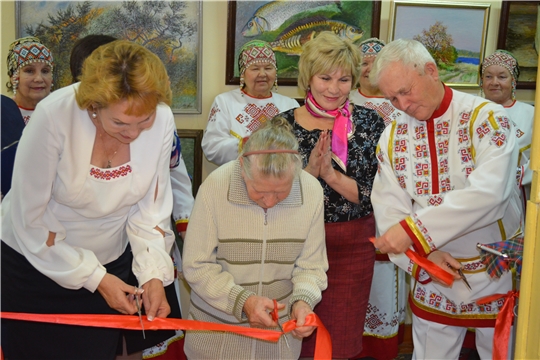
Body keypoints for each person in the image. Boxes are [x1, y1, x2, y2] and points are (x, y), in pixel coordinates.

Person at [1, 40, 182, 359]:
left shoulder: (163, 118)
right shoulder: (54, 116)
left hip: (110, 265)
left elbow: (150, 211)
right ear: (93, 106)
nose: (134, 134)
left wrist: (153, 273)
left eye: (144, 122)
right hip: (35, 264)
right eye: (120, 123)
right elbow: (30, 218)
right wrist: (94, 278)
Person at [369, 38, 523, 360]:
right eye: (392, 98)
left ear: (431, 71)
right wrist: (424, 255)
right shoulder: (393, 135)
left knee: (501, 352)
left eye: (406, 91)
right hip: (435, 272)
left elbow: (491, 193)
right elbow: (388, 205)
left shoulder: (488, 119)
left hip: (495, 269)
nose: (402, 104)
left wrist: (413, 232)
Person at [68, 34, 193, 359]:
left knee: (135, 333)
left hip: (139, 242)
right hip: (75, 253)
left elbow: (172, 175)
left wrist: (183, 219)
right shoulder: (62, 126)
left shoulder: (153, 120)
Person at [182, 116, 329, 359]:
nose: (270, 202)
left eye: (281, 192)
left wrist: (302, 303)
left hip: (278, 341)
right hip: (217, 336)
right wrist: (243, 301)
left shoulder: (310, 191)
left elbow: (311, 267)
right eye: (259, 191)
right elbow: (197, 266)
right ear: (242, 167)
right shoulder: (215, 186)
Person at [278, 31, 386, 359]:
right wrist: (309, 174)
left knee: (340, 340)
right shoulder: (282, 127)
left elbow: (372, 196)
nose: (334, 88)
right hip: (293, 247)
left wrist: (329, 175)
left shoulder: (369, 123)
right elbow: (269, 195)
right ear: (308, 78)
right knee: (291, 336)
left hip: (352, 247)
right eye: (325, 77)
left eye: (344, 79)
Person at [349, 37, 407, 360]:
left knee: (384, 281)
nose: (368, 69)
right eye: (363, 63)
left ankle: (382, 348)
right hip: (352, 207)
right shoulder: (344, 101)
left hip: (391, 205)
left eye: (375, 63)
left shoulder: (398, 104)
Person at [202, 40, 299, 166]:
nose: (262, 74)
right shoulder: (224, 102)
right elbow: (211, 147)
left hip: (281, 178)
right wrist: (246, 143)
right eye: (255, 68)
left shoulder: (290, 105)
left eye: (269, 68)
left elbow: (298, 148)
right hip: (237, 177)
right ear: (243, 74)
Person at [480, 49, 534, 213]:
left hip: (517, 196)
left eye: (502, 77)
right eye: (488, 76)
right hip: (478, 195)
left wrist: (511, 176)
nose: (494, 82)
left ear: (513, 81)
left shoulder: (531, 114)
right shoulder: (471, 112)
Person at [6, 36, 54, 124]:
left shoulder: (63, 112)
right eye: (29, 71)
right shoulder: (4, 114)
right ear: (13, 77)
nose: (39, 79)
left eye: (45, 71)